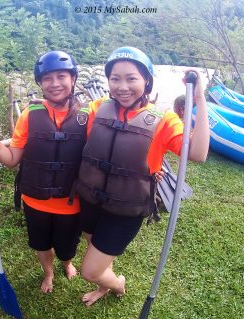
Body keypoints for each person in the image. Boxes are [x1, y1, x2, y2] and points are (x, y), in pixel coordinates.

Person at [75, 46, 210, 306]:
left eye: (131, 78)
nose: (122, 86)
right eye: (115, 78)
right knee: (95, 248)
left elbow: (198, 153)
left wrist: (200, 99)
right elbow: (71, 121)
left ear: (146, 80)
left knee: (90, 271)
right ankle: (106, 283)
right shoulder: (96, 108)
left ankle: (117, 284)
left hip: (125, 210)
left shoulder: (164, 121)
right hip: (91, 200)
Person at [0, 51, 88, 293]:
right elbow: (11, 159)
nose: (54, 83)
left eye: (61, 76)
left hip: (71, 202)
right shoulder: (29, 116)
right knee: (41, 244)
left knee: (67, 247)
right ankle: (48, 274)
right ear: (40, 83)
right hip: (35, 202)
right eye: (47, 78)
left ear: (73, 78)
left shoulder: (88, 117)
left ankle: (67, 263)